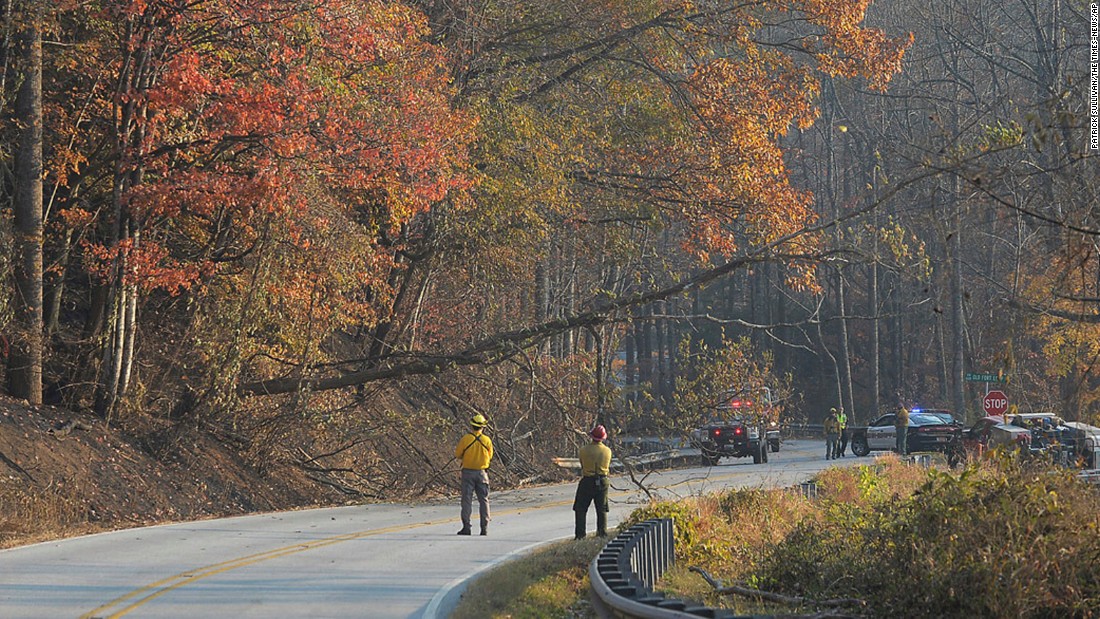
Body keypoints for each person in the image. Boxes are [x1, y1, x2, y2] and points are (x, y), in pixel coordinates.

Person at [455, 414, 493, 536]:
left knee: (467, 500)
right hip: (482, 474)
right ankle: (484, 528)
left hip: (467, 473)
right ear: (482, 427)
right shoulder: (487, 440)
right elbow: (490, 456)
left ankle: (466, 527)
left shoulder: (466, 439)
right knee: (484, 500)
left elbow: (458, 454)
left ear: (471, 426)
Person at [574, 425, 612, 539]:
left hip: (587, 481)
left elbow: (582, 464)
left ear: (592, 437)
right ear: (603, 438)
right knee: (602, 508)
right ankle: (602, 533)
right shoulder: (607, 451)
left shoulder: (583, 450)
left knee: (580, 508)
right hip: (603, 480)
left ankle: (580, 535)